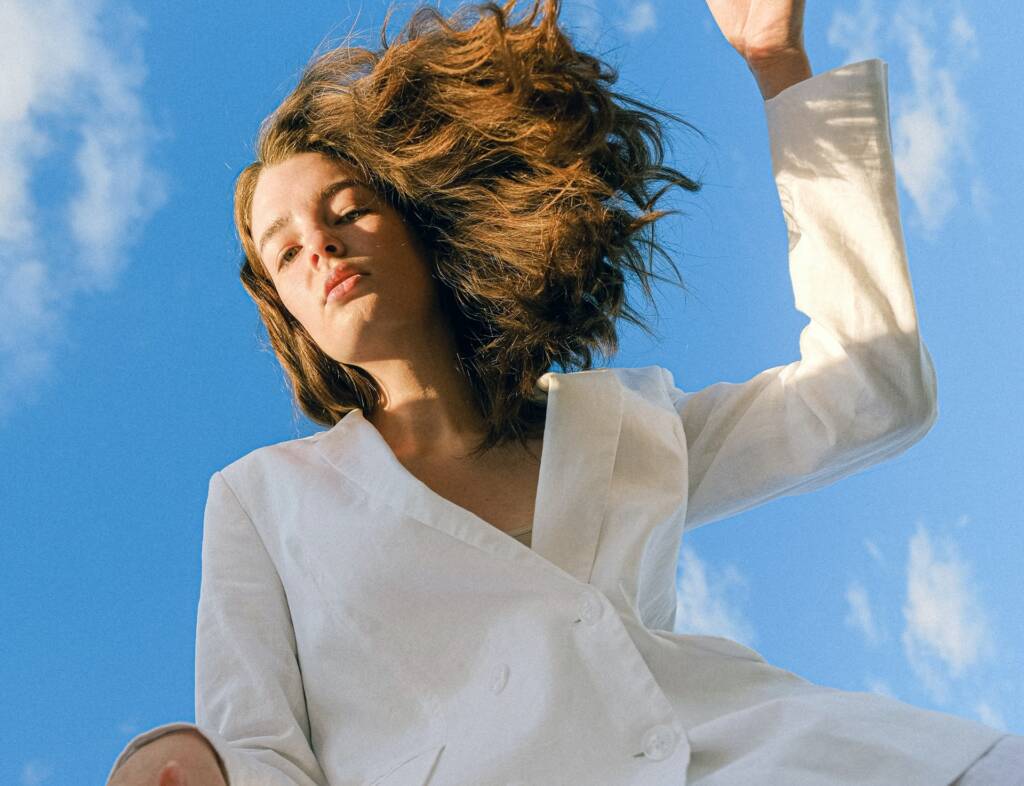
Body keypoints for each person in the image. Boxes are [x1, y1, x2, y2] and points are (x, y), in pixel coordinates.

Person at [106, 1, 1022, 784]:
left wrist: (778, 66)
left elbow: (871, 392)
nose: (322, 246)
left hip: (808, 758)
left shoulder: (618, 426)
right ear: (289, 313)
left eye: (347, 209)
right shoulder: (262, 501)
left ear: (420, 224)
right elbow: (263, 753)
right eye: (285, 250)